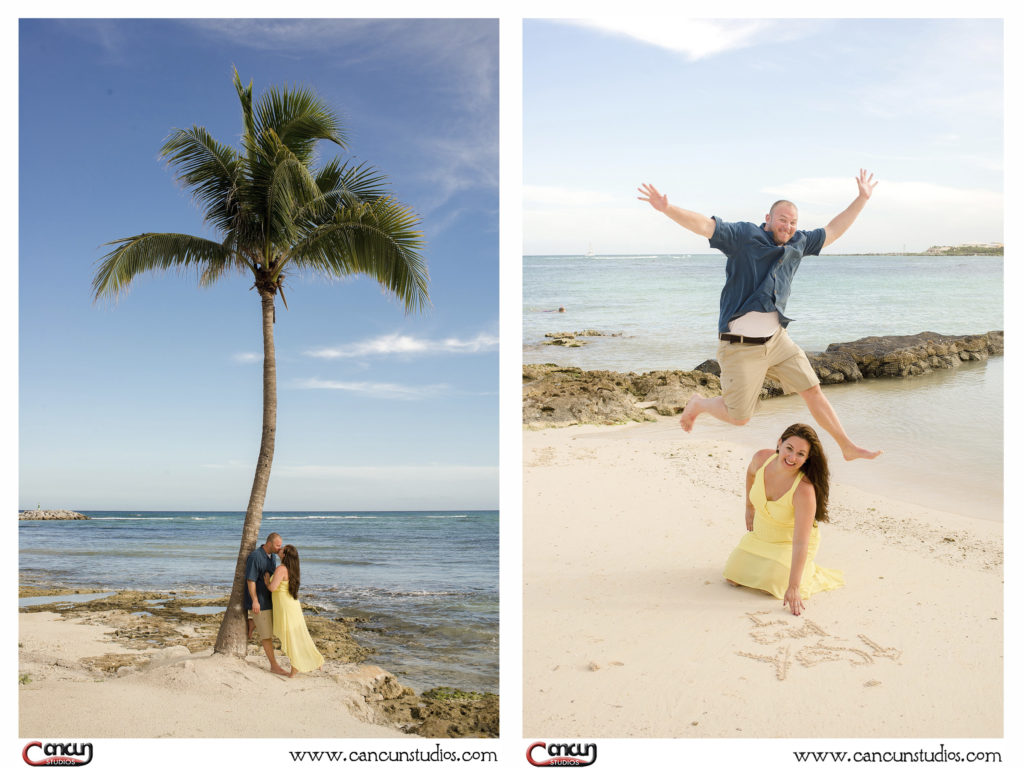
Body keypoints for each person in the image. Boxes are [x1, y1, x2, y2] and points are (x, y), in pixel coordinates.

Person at [637, 171, 881, 461]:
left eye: (793, 222)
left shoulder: (798, 243)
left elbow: (834, 229)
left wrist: (862, 198)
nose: (788, 226)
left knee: (813, 390)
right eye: (782, 219)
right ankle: (699, 404)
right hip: (739, 345)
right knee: (739, 417)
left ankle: (846, 446)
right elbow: (705, 225)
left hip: (777, 340)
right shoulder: (744, 237)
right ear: (768, 218)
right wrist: (667, 209)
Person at [723, 423, 844, 615]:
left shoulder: (804, 491)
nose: (792, 457)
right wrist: (749, 507)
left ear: (807, 459)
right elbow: (750, 474)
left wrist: (794, 587)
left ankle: (806, 571)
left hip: (790, 542)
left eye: (801, 454)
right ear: (779, 443)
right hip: (762, 534)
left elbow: (801, 542)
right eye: (789, 448)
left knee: (772, 585)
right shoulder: (761, 458)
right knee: (732, 576)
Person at [265, 545, 325, 676]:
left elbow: (272, 588)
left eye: (282, 549)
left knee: (291, 637)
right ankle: (313, 660)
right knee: (297, 635)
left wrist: (266, 580)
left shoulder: (281, 568)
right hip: (292, 604)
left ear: (284, 555)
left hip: (284, 606)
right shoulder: (293, 569)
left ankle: (296, 667)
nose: (279, 549)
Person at [244, 532, 289, 676]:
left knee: (272, 628)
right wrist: (255, 601)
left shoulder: (273, 557)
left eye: (280, 545)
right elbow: (250, 580)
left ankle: (252, 622)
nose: (279, 548)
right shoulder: (255, 557)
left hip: (270, 600)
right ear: (269, 543)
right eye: (277, 545)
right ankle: (274, 665)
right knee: (267, 635)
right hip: (260, 602)